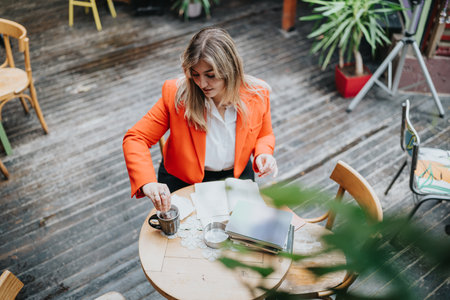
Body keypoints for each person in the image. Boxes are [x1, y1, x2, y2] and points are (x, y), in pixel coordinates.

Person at [123, 27, 278, 212]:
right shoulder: (175, 95)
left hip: (236, 180)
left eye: (210, 75)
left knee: (240, 236)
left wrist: (263, 154)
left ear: (230, 69)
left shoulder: (258, 94)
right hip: (183, 183)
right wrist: (147, 182)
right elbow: (136, 138)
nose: (202, 84)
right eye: (195, 74)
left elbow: (265, 134)